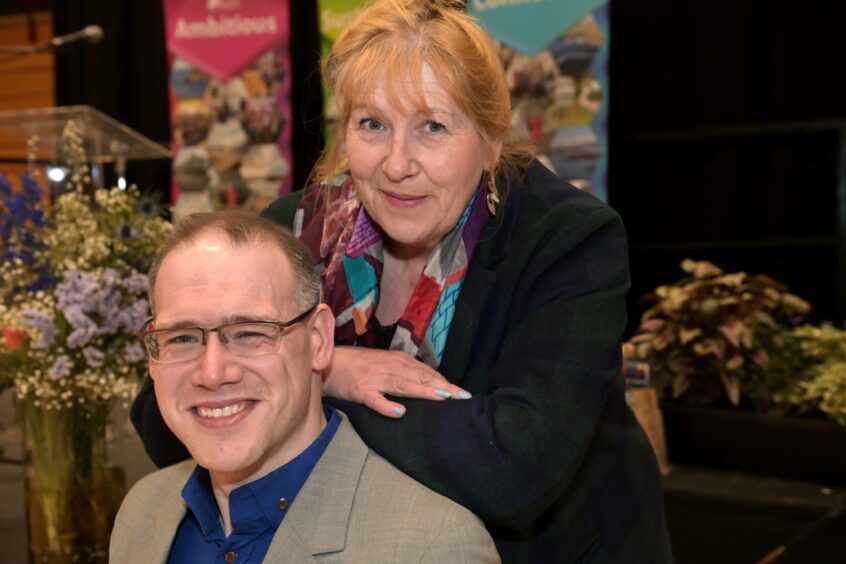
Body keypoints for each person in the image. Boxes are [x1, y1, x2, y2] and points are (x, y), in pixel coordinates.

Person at [132, 1, 674, 561]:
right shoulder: (296, 231)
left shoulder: (566, 240)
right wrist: (332, 367)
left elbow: (512, 469)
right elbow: (162, 418)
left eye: (432, 127)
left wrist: (295, 383)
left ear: (490, 141)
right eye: (372, 125)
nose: (396, 163)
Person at [111, 211, 500, 563]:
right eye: (182, 338)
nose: (212, 374)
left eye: (250, 333)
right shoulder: (143, 512)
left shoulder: (434, 548)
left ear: (318, 340)